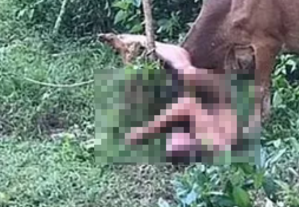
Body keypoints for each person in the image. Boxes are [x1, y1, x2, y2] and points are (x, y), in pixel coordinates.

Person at [99, 34, 256, 163]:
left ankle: (139, 40)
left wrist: (130, 139)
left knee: (186, 71)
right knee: (184, 68)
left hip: (214, 137)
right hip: (209, 122)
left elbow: (188, 105)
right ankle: (139, 42)